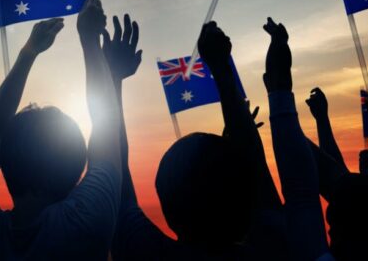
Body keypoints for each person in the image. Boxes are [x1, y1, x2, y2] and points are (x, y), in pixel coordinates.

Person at [0, 0, 122, 260]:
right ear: (78, 164)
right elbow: (108, 124)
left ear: (5, 162)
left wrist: (27, 54)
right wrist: (90, 41)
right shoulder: (87, 224)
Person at [112, 20, 286, 260]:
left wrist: (112, 80)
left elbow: (115, 171)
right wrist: (221, 66)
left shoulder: (148, 252)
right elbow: (255, 167)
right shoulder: (277, 247)